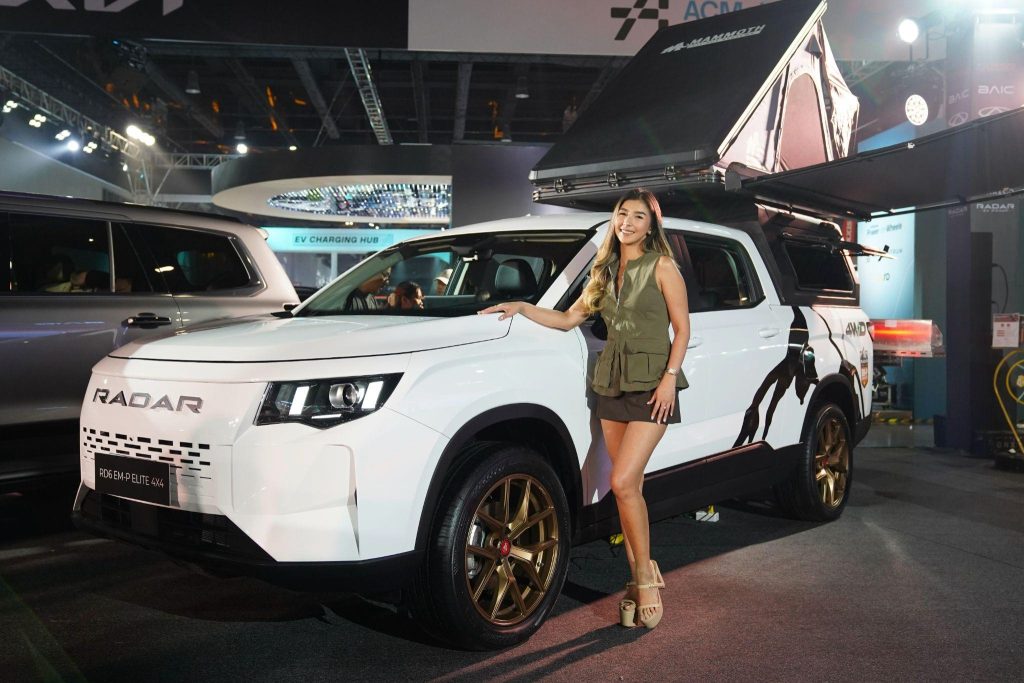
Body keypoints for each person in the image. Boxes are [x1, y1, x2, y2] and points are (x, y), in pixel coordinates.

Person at [479, 188, 690, 630]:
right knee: (628, 491)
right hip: (610, 381)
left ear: (651, 225)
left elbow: (682, 328)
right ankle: (638, 578)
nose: (627, 222)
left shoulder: (662, 266)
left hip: (653, 383)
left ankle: (646, 580)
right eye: (622, 213)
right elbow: (568, 319)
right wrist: (522, 307)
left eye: (638, 216)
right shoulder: (603, 268)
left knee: (622, 481)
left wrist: (670, 378)